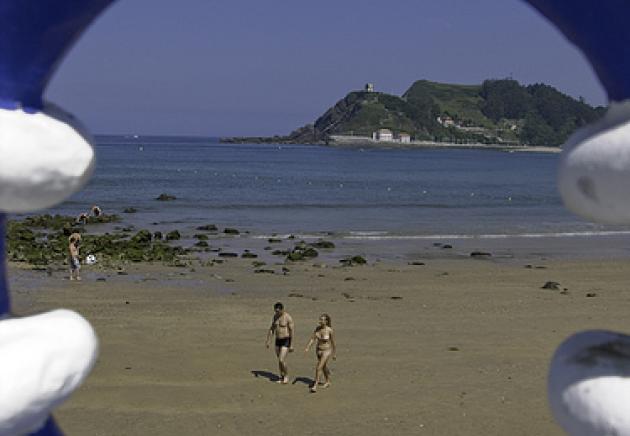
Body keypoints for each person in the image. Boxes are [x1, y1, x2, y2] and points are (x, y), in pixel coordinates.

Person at [304, 313, 336, 393]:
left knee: (319, 367)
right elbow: (313, 339)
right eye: (320, 319)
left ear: (326, 321)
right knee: (323, 366)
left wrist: (334, 353)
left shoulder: (329, 330)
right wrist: (308, 347)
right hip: (318, 350)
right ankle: (328, 381)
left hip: (327, 350)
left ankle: (315, 385)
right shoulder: (317, 329)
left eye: (322, 320)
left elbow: (333, 343)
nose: (320, 321)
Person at [265, 302, 294, 384]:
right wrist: (268, 340)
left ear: (282, 310)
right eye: (275, 311)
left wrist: (291, 344)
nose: (277, 313)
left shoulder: (288, 317)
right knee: (279, 360)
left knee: (281, 359)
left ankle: (287, 376)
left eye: (278, 311)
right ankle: (282, 376)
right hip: (278, 340)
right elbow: (272, 329)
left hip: (286, 340)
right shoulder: (275, 317)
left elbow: (291, 331)